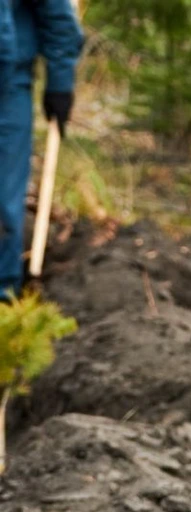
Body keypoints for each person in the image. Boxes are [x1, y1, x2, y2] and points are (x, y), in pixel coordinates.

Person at [0, 0, 83, 300]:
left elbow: (58, 17)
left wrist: (60, 82)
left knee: (3, 199)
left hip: (7, 89)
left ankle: (5, 296)